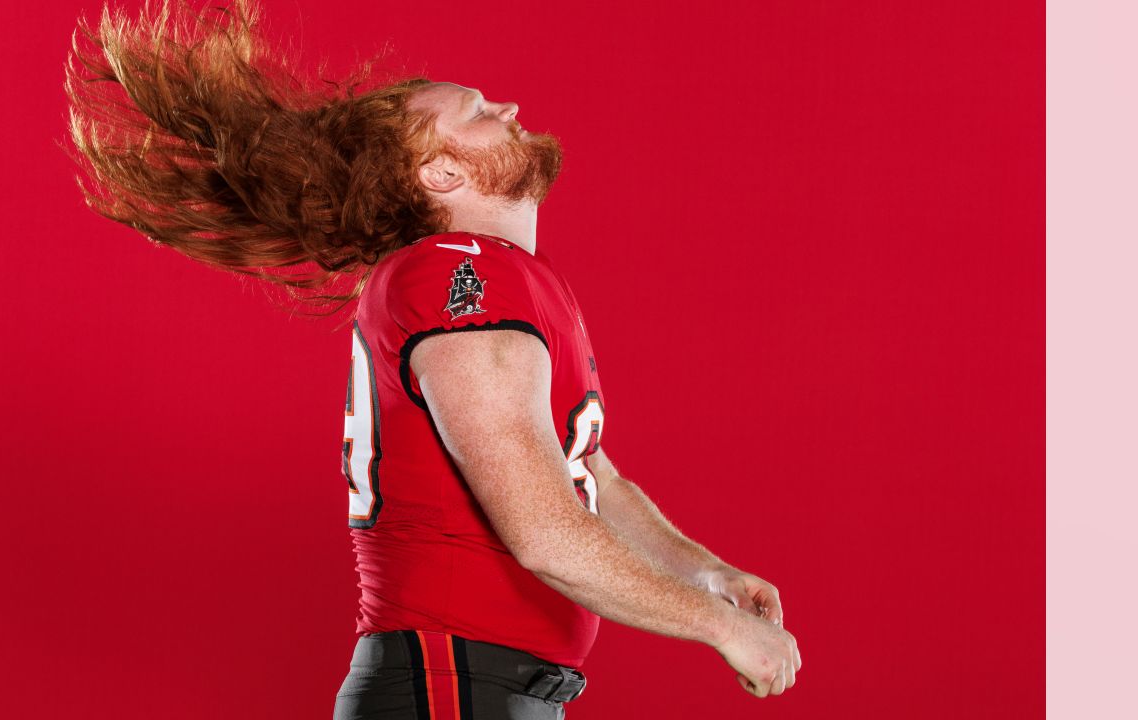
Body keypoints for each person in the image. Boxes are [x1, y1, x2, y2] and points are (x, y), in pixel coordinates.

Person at [64, 2, 801, 718]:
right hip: (452, 682)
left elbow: (591, 476)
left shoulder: (504, 277)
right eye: (478, 113)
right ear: (440, 175)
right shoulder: (457, 271)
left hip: (482, 685)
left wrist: (708, 577)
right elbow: (544, 532)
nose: (508, 107)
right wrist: (722, 629)